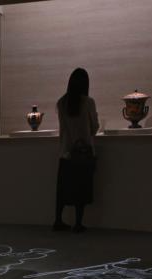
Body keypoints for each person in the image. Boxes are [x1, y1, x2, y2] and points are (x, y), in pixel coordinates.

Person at [54, 68, 99, 233]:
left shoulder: (61, 103)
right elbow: (94, 127)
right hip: (83, 153)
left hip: (65, 153)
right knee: (81, 189)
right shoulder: (88, 102)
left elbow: (63, 128)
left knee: (62, 190)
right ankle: (78, 224)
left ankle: (58, 220)